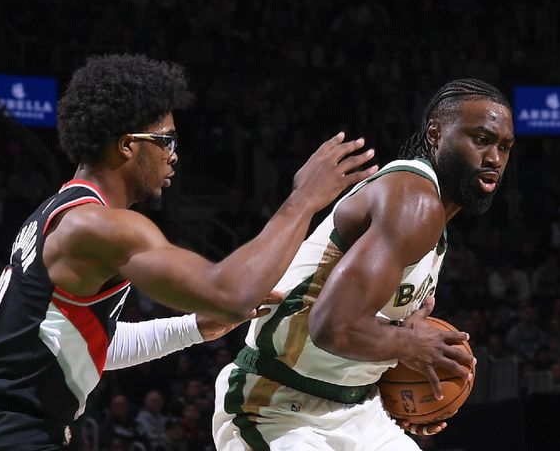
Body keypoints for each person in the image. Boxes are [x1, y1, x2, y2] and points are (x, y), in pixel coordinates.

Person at [0, 54, 376, 451]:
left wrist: (196, 326)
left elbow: (86, 346)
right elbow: (232, 291)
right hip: (6, 431)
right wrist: (302, 201)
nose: (174, 156)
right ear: (128, 144)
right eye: (166, 141)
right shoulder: (99, 226)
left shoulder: (62, 214)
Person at [213, 79, 515, 450]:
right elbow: (332, 327)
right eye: (480, 140)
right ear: (435, 133)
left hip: (361, 411)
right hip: (277, 406)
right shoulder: (413, 202)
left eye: (504, 147)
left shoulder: (431, 213)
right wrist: (409, 344)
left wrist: (404, 395)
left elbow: (363, 328)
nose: (494, 159)